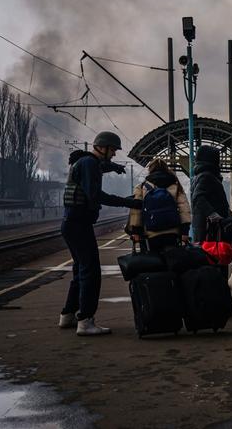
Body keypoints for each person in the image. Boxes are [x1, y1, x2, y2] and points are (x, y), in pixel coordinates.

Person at [59, 131, 142, 336]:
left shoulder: (86, 162)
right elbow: (96, 195)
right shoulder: (89, 164)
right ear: (102, 148)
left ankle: (68, 314)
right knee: (91, 272)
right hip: (79, 225)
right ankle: (86, 320)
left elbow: (99, 167)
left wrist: (113, 167)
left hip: (72, 224)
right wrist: (128, 202)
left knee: (80, 270)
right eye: (112, 150)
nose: (114, 154)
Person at [127, 159, 191, 254]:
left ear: (150, 170)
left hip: (150, 233)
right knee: (173, 262)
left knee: (152, 263)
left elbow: (136, 211)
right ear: (166, 169)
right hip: (173, 232)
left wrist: (136, 232)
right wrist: (185, 232)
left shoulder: (142, 187)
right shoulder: (176, 186)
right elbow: (184, 209)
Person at [190, 145, 232, 277]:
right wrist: (214, 215)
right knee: (215, 265)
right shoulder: (206, 176)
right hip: (211, 233)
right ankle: (218, 295)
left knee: (208, 266)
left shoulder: (200, 176)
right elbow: (198, 198)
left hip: (206, 232)